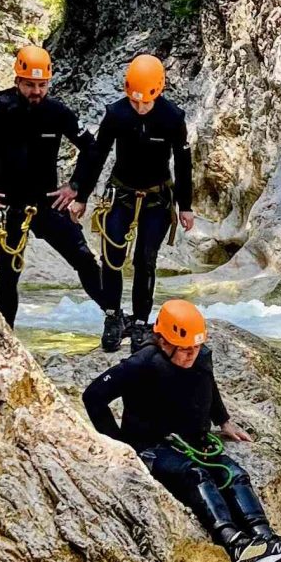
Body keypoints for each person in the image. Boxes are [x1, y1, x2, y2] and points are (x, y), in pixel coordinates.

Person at [82, 299, 281, 562]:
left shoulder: (199, 356)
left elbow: (207, 383)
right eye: (185, 349)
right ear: (164, 342)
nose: (191, 355)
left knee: (235, 474)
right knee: (196, 474)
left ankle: (266, 539)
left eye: (195, 348)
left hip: (192, 441)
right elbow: (93, 397)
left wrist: (224, 420)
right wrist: (117, 443)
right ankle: (234, 543)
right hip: (151, 445)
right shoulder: (142, 363)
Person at [0, 43, 109, 331]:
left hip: (48, 203)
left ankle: (115, 319)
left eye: (42, 85)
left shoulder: (56, 112)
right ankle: (5, 338)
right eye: (29, 85)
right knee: (8, 278)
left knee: (85, 261)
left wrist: (75, 186)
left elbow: (92, 149)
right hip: (8, 206)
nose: (36, 91)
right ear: (17, 81)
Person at [72, 53, 196, 354]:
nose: (140, 108)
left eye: (146, 103)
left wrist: (185, 205)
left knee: (145, 259)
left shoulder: (172, 118)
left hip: (157, 197)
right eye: (135, 101)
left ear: (159, 92)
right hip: (122, 192)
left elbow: (183, 162)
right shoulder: (116, 114)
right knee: (112, 255)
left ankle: (141, 322)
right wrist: (82, 197)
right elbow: (97, 154)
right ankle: (113, 317)